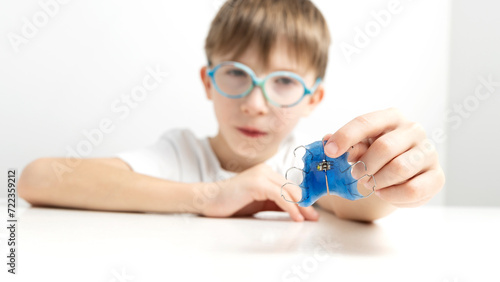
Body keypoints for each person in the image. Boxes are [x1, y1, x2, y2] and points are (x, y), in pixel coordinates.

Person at [18, 0, 445, 222]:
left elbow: (359, 207)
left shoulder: (307, 168)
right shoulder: (181, 156)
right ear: (208, 82)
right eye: (237, 75)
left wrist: (391, 178)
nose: (255, 104)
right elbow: (36, 180)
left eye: (283, 82)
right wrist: (209, 196)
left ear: (313, 98)